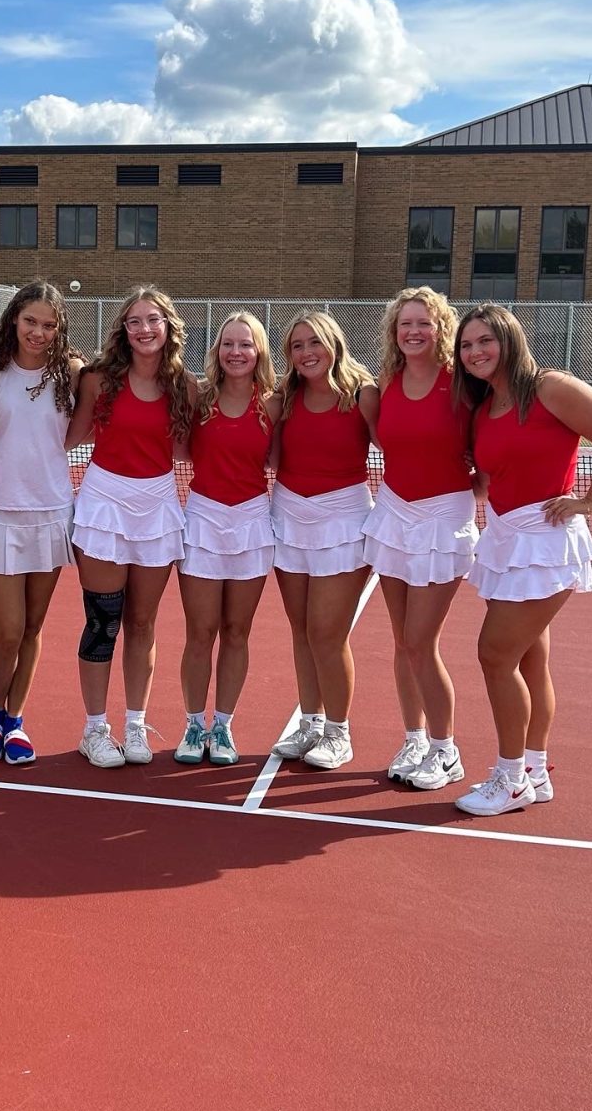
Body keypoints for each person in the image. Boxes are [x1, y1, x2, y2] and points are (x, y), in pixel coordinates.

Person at [451, 302, 592, 816]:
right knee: (530, 659)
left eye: (484, 340)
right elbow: (488, 482)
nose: (475, 352)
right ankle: (533, 768)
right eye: (466, 345)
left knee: (494, 655)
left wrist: (590, 501)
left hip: (547, 541)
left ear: (508, 340)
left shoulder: (551, 388)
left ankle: (509, 779)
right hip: (506, 538)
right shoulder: (485, 409)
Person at [65, 286, 197, 768]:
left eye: (153, 320)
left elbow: (188, 450)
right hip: (104, 505)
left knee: (142, 623)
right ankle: (95, 729)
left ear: (168, 327)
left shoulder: (185, 385)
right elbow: (71, 435)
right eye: (135, 321)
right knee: (104, 621)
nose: (144, 329)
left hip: (157, 508)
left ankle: (135, 725)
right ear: (124, 329)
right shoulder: (99, 380)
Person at [361, 287, 478, 790]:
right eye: (405, 323)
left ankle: (446, 750)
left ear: (441, 329)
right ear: (394, 330)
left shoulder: (463, 385)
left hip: (441, 518)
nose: (413, 331)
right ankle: (414, 738)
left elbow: (487, 449)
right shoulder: (386, 381)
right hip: (393, 511)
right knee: (401, 641)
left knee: (420, 641)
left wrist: (467, 496)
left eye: (424, 323)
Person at [0, 280, 84, 765]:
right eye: (30, 321)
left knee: (33, 628)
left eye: (49, 324)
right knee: (8, 629)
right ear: (14, 319)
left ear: (60, 329)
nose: (38, 332)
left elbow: (77, 432)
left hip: (52, 514)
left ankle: (13, 719)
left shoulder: (74, 373)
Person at [269, 310, 378, 770]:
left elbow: (403, 445)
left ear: (334, 343)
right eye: (297, 346)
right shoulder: (283, 398)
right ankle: (310, 723)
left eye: (314, 342)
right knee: (301, 631)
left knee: (327, 634)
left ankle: (338, 732)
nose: (307, 352)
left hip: (344, 518)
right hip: (289, 515)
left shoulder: (363, 395)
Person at [174, 312, 280, 766]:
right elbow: (177, 447)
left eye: (246, 344)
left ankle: (222, 725)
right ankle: (194, 725)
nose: (236, 352)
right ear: (216, 351)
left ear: (259, 352)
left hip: (253, 521)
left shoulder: (274, 404)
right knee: (200, 633)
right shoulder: (199, 398)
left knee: (237, 632)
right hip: (202, 519)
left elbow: (278, 459)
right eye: (227, 344)